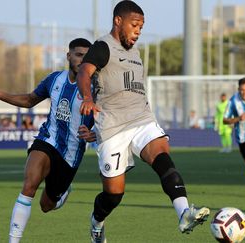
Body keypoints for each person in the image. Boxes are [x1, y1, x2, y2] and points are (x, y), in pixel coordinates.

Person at [76, 1, 210, 242]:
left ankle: (184, 213)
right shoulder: (103, 47)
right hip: (113, 129)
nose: (138, 31)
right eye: (134, 25)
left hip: (141, 119)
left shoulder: (136, 53)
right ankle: (97, 221)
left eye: (141, 27)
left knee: (162, 156)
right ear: (118, 21)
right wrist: (87, 97)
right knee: (114, 194)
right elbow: (84, 72)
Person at [0, 38, 95, 243]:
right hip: (47, 140)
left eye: (87, 57)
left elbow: (107, 117)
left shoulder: (96, 87)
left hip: (71, 154)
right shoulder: (54, 79)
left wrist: (95, 133)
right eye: (79, 55)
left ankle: (61, 193)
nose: (82, 60)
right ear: (69, 56)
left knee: (46, 206)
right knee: (29, 185)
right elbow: (29, 100)